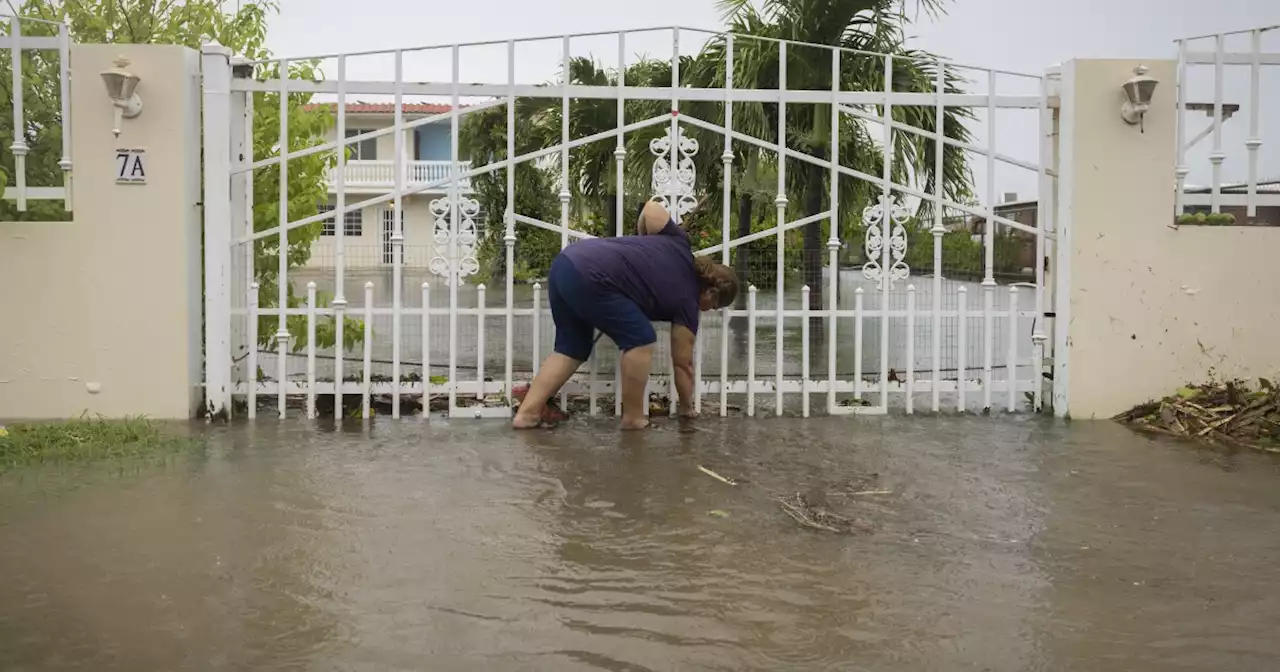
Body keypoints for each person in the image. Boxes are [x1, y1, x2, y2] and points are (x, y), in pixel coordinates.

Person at [512, 200, 739, 430]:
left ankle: (528, 415)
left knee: (571, 348)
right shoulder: (688, 302)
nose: (707, 310)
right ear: (711, 290)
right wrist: (687, 408)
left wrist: (644, 242)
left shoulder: (679, 243)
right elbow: (683, 365)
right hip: (592, 276)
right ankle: (633, 418)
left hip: (565, 264)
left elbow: (651, 209)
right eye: (713, 306)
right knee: (641, 339)